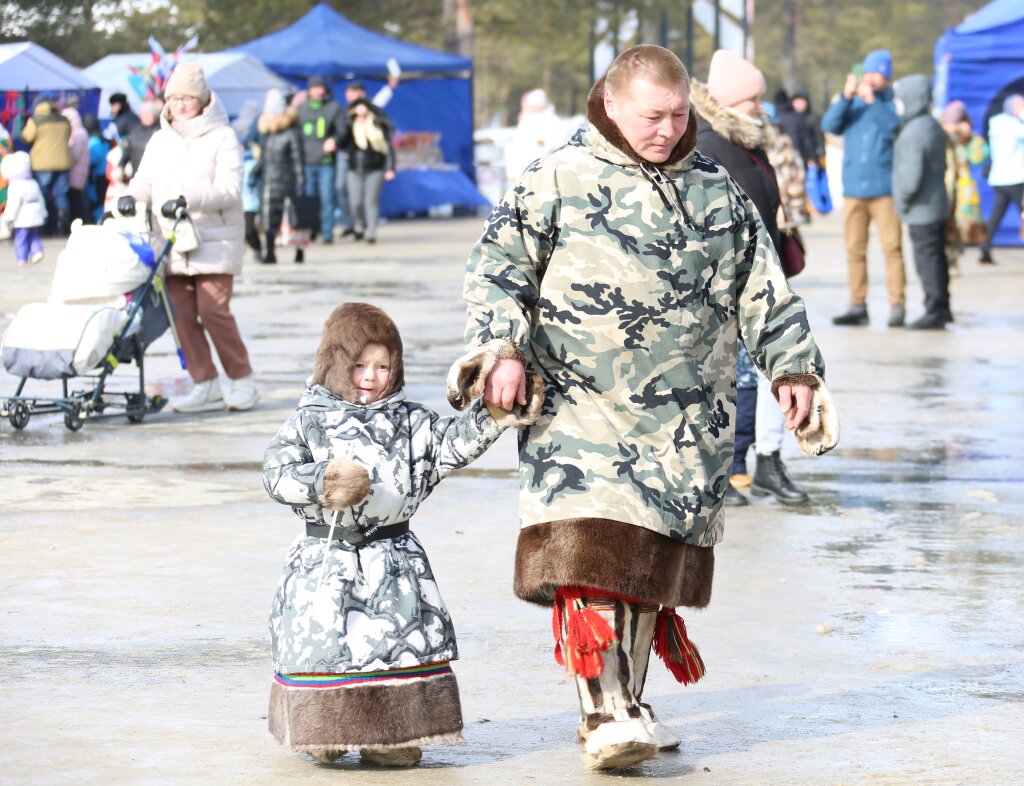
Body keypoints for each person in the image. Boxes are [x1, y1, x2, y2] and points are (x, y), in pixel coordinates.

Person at [451, 44, 839, 771]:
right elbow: (497, 272)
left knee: (644, 566)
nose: (666, 128)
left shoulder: (714, 190)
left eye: (678, 114)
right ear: (615, 102)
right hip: (577, 408)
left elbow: (763, 289)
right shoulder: (556, 177)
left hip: (683, 420)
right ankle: (605, 710)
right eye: (652, 115)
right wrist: (501, 349)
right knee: (594, 553)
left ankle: (627, 700)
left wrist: (793, 368)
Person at [262, 302, 541, 766]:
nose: (370, 376)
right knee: (327, 646)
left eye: (382, 365)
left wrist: (493, 413)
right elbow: (276, 473)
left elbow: (450, 445)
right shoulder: (308, 419)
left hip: (393, 558)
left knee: (397, 645)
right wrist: (324, 482)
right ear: (335, 363)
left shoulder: (411, 421)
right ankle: (323, 729)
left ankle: (393, 735)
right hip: (325, 558)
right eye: (358, 365)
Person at [691, 50, 810, 507]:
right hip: (729, 281)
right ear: (729, 101)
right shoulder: (708, 145)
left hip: (766, 277)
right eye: (752, 98)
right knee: (731, 379)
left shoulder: (750, 141)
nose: (760, 105)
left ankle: (767, 463)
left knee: (774, 374)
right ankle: (729, 467)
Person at [121, 62, 258, 413]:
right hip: (171, 240)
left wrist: (190, 198)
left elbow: (230, 189)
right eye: (174, 97)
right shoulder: (160, 138)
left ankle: (242, 379)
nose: (181, 104)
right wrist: (128, 197)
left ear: (204, 99)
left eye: (188, 98)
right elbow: (144, 180)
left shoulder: (223, 136)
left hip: (213, 238)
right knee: (180, 314)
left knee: (213, 310)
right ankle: (205, 383)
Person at [822, 49, 906, 327]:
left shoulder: (892, 104)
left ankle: (897, 304)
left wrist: (874, 103)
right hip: (854, 190)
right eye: (868, 72)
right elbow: (829, 125)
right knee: (854, 250)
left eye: (877, 73)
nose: (871, 78)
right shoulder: (853, 104)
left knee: (892, 249)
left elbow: (894, 129)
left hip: (885, 191)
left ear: (886, 76)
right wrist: (847, 97)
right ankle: (858, 305)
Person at [892, 75, 951, 330]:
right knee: (937, 258)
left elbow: (910, 174)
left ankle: (934, 310)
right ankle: (942, 307)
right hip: (934, 202)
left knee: (927, 260)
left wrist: (902, 200)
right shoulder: (931, 125)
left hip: (922, 207)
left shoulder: (915, 131)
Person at [252, 89, 305, 263]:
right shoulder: (269, 134)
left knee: (293, 218)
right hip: (268, 181)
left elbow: (298, 158)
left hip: (286, 181)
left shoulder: (291, 134)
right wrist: (255, 172)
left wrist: (300, 180)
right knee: (268, 217)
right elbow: (265, 157)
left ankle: (299, 251)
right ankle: (270, 253)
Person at [940, 101, 989, 271]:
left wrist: (968, 137)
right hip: (943, 188)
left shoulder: (970, 139)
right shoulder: (940, 134)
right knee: (942, 226)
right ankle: (945, 257)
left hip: (963, 190)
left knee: (961, 227)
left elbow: (978, 157)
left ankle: (954, 257)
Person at [339, 98, 395, 244]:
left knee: (371, 201)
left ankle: (371, 231)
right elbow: (341, 142)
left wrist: (390, 167)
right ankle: (360, 223)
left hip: (375, 168)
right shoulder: (350, 125)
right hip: (354, 168)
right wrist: (348, 123)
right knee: (355, 202)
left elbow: (387, 148)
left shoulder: (377, 125)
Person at [977, 94, 1024, 265]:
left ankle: (984, 248)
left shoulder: (996, 123)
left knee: (996, 216)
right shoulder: (1012, 126)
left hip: (1000, 177)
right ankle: (984, 248)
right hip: (1015, 177)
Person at [297, 76, 344, 244]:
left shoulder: (333, 108)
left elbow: (342, 130)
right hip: (307, 161)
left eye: (321, 88)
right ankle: (311, 230)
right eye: (315, 88)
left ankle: (327, 232)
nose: (319, 91)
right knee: (310, 199)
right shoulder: (301, 110)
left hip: (325, 162)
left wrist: (334, 140)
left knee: (327, 198)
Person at [21, 98, 72, 236]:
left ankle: (42, 227)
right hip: (63, 162)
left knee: (41, 194)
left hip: (42, 164)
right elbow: (68, 136)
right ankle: (63, 227)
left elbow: (26, 137)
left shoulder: (36, 121)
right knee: (61, 195)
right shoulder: (64, 120)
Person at [505, 88, 568, 181]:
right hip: (527, 173)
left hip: (546, 171)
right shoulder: (526, 121)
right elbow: (517, 148)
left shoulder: (551, 121)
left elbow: (561, 143)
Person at [0, 151, 47, 266]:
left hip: (22, 218)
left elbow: (13, 204)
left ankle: (21, 258)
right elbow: (40, 199)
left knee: (21, 238)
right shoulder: (33, 182)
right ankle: (37, 251)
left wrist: (8, 218)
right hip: (36, 216)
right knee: (34, 236)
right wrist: (44, 213)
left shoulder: (15, 186)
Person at [120, 101, 161, 182]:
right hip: (136, 177)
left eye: (148, 114)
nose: (145, 117)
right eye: (143, 114)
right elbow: (127, 152)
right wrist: (120, 166)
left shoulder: (160, 132)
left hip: (156, 179)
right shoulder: (135, 131)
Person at [62, 107, 90, 225]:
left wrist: (65, 161)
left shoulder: (78, 134)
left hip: (76, 171)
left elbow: (75, 154)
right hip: (79, 170)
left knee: (76, 199)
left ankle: (80, 222)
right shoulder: (80, 132)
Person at [82, 114, 110, 223]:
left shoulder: (93, 141)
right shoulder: (104, 139)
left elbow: (92, 159)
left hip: (96, 176)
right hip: (105, 173)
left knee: (97, 201)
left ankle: (99, 222)